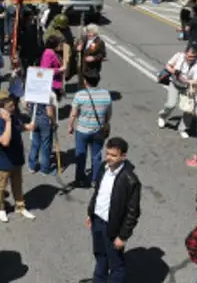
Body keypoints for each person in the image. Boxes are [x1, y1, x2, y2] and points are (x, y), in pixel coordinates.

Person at [86, 137, 141, 283]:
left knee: (116, 265)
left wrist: (123, 236)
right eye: (107, 154)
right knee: (100, 255)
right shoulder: (103, 168)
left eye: (113, 155)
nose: (109, 158)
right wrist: (90, 213)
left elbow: (133, 212)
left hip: (113, 227)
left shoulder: (130, 180)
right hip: (97, 221)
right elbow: (98, 193)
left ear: (123, 156)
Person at [0, 91, 36, 222]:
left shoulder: (13, 116)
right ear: (1, 108)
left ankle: (20, 206)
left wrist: (28, 127)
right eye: (10, 106)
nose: (14, 107)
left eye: (13, 105)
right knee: (1, 186)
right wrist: (8, 122)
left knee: (17, 184)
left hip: (16, 158)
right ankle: (0, 208)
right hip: (3, 161)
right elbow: (5, 141)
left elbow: (18, 127)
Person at [69, 70, 112, 187]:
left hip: (82, 130)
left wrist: (70, 126)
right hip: (98, 130)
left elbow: (73, 114)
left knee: (81, 155)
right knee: (96, 155)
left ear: (85, 81)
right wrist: (106, 122)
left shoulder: (79, 95)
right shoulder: (106, 94)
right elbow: (108, 114)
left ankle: (80, 179)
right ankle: (95, 179)